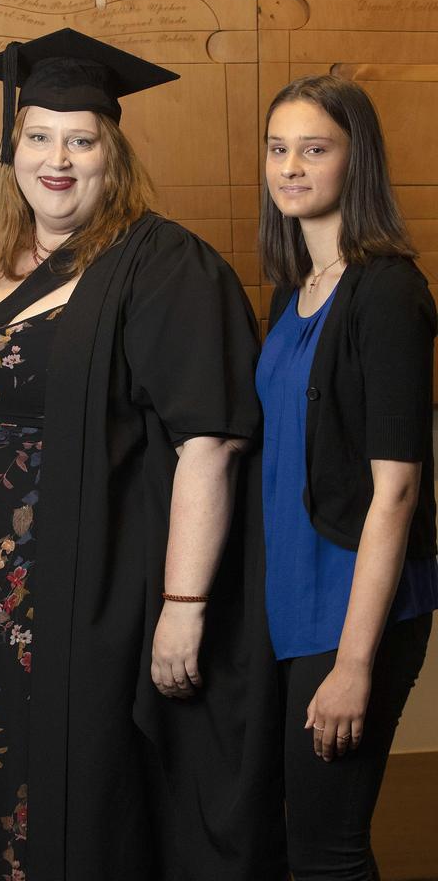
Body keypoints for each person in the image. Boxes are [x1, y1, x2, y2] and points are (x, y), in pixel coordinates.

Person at [0, 29, 287, 881]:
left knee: (74, 789)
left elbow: (211, 443)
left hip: (87, 586)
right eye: (39, 137)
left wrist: (183, 606)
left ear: (111, 154)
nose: (58, 159)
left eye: (81, 140)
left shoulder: (162, 264)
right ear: (14, 146)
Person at [257, 74, 438, 880]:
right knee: (297, 838)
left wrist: (356, 662)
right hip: (291, 596)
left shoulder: (389, 291)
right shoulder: (289, 296)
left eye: (315, 149)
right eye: (278, 148)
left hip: (354, 605)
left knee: (328, 851)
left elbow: (397, 488)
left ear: (354, 161)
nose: (291, 166)